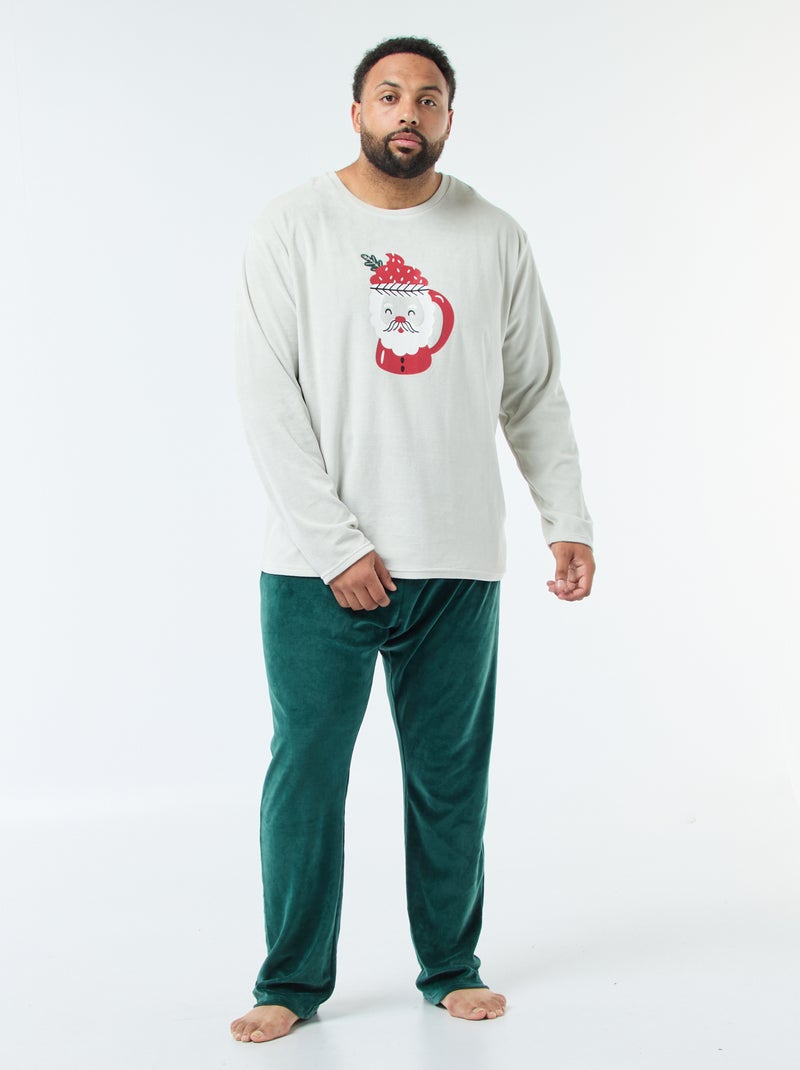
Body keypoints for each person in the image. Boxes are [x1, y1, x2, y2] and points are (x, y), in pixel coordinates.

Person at [230, 35, 596, 1044]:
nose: (408, 111)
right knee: (307, 772)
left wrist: (564, 518)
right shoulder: (292, 227)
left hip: (456, 558)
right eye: (389, 94)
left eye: (428, 98)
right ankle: (289, 980)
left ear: (448, 118)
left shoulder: (493, 235)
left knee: (449, 779)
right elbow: (267, 398)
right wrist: (337, 544)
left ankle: (450, 965)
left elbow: (533, 391)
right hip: (316, 569)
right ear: (356, 111)